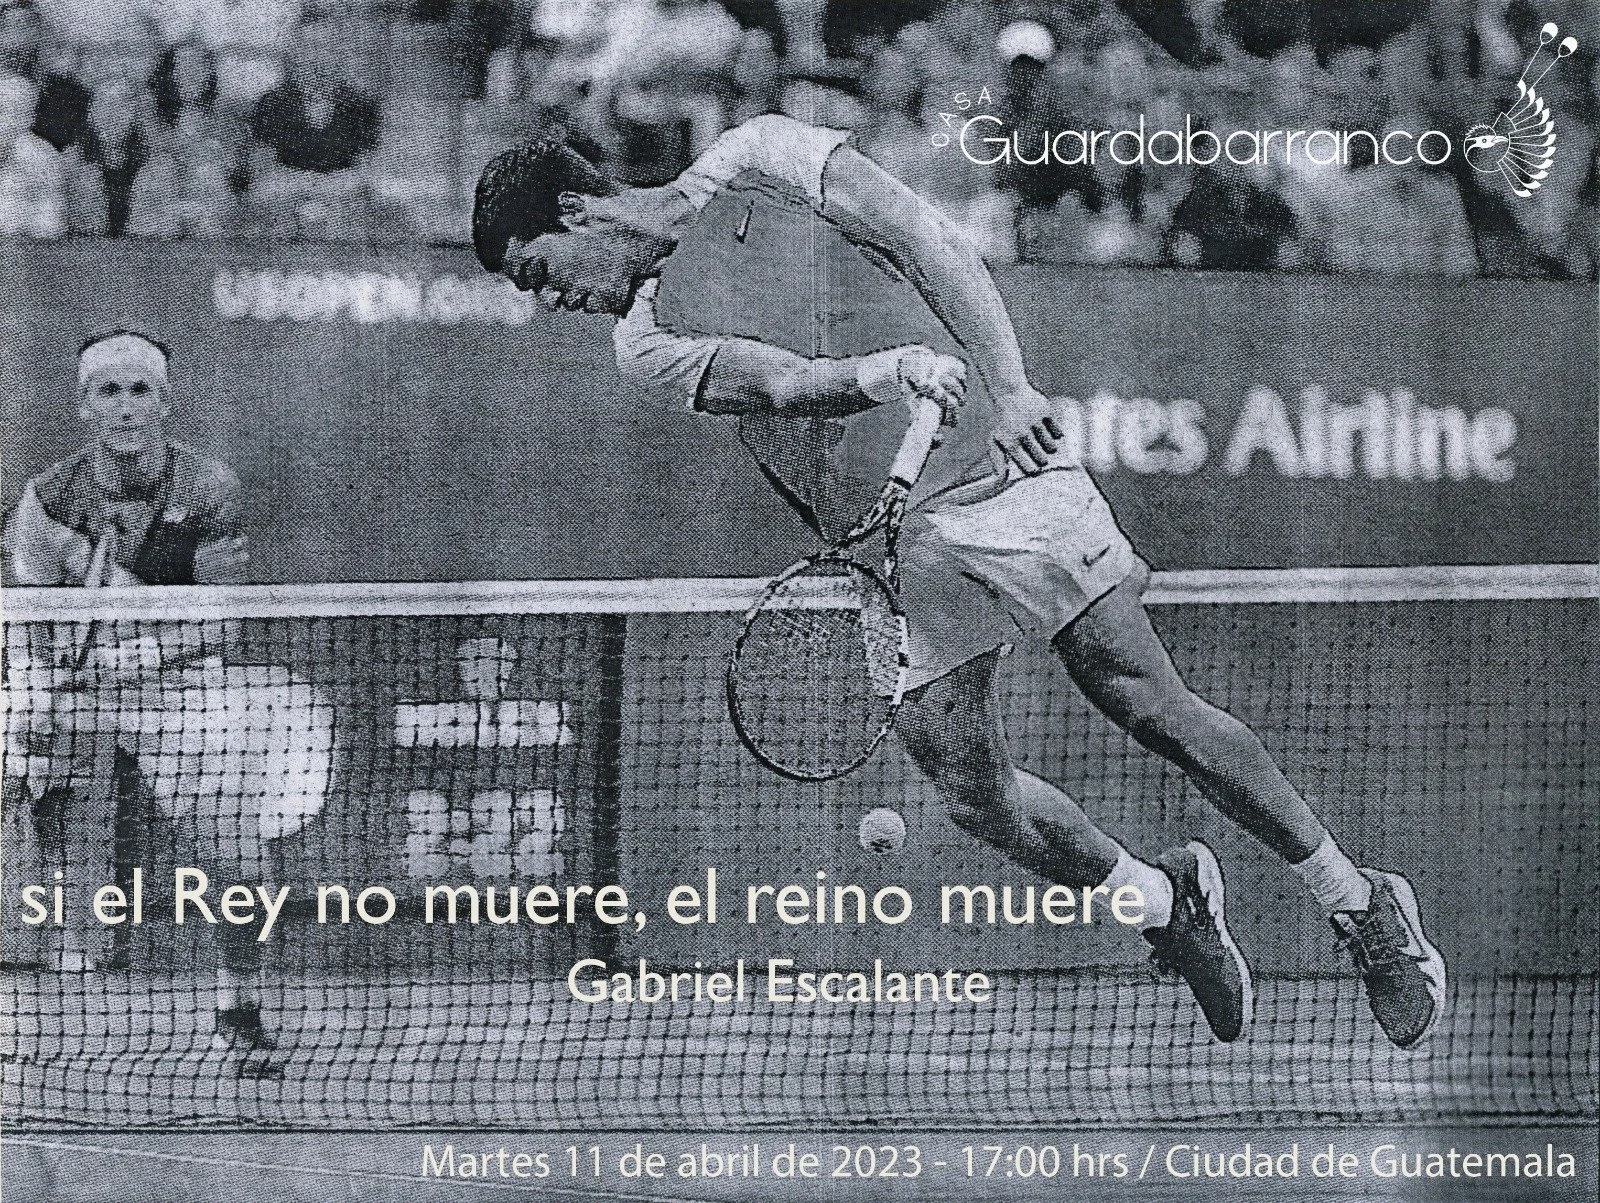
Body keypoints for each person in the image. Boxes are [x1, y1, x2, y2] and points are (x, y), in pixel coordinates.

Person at [470, 114, 1447, 1049]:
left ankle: (1359, 907)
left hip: (993, 467)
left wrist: (1011, 382)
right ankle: (1164, 905)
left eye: (537, 275)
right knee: (975, 797)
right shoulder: (640, 343)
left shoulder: (760, 159)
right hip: (886, 552)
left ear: (573, 213)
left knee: (1148, 704)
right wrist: (889, 370)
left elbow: (925, 240)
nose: (548, 298)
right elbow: (777, 384)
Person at [5, 331, 287, 1074]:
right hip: (68, 685)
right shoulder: (47, 500)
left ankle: (237, 1004)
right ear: (84, 407)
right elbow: (26, 618)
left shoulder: (208, 489)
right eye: (109, 391)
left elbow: (222, 618)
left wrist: (142, 654)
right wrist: (32, 698)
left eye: (140, 391)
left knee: (237, 855)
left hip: (175, 689)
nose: (126, 407)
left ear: (166, 402)